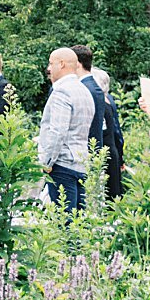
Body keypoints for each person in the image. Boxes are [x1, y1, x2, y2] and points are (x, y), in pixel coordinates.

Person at [37, 48, 94, 211]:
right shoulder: (84, 90)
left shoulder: (62, 91)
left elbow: (57, 132)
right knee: (78, 220)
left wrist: (47, 162)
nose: (49, 68)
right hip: (81, 162)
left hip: (62, 164)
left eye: (51, 63)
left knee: (64, 221)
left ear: (61, 64)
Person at [73, 44, 125, 200]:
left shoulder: (92, 94)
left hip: (103, 152)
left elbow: (112, 129)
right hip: (109, 151)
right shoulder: (107, 99)